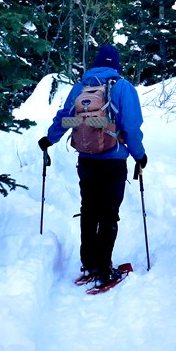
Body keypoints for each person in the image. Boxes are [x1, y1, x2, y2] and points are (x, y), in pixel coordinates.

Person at [38, 44, 146, 287]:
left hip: (86, 159)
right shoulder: (123, 87)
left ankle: (89, 264)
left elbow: (65, 119)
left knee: (89, 210)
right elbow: (131, 127)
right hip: (113, 161)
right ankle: (104, 269)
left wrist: (49, 139)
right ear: (116, 65)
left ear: (96, 63)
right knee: (109, 213)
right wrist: (139, 155)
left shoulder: (80, 87)